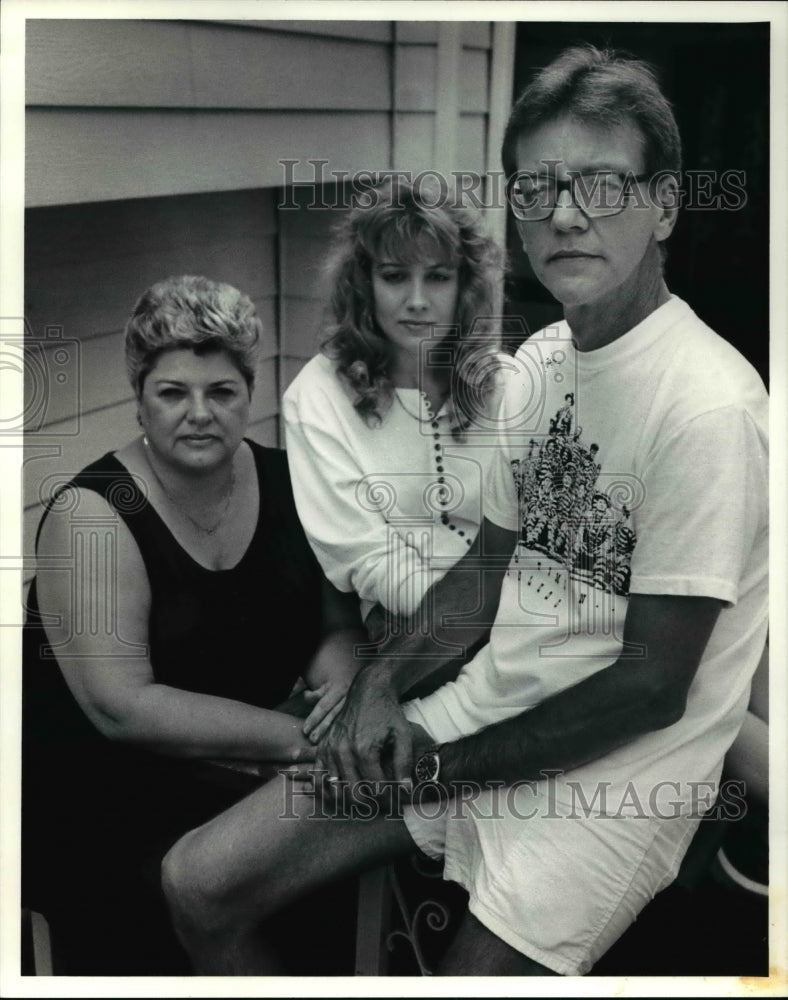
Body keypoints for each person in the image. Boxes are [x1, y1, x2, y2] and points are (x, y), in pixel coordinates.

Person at [161, 46, 768, 977]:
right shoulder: (539, 368)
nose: (564, 214)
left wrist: (441, 765)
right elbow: (480, 578)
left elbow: (654, 688)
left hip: (616, 782)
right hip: (483, 715)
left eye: (603, 185)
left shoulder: (708, 405)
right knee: (199, 882)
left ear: (669, 204)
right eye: (537, 186)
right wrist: (376, 690)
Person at [22, 275, 363, 973]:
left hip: (249, 757)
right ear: (139, 398)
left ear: (251, 392)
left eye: (222, 392)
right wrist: (304, 742)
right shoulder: (93, 513)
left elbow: (333, 625)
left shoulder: (291, 481)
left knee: (341, 851)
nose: (199, 414)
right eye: (173, 393)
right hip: (111, 794)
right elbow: (124, 706)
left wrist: (341, 703)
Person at [282, 175, 504, 643]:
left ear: (465, 285)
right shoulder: (318, 396)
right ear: (364, 282)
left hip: (517, 610)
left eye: (439, 277)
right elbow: (365, 555)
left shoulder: (507, 382)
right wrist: (474, 623)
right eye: (395, 276)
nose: (417, 301)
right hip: (405, 627)